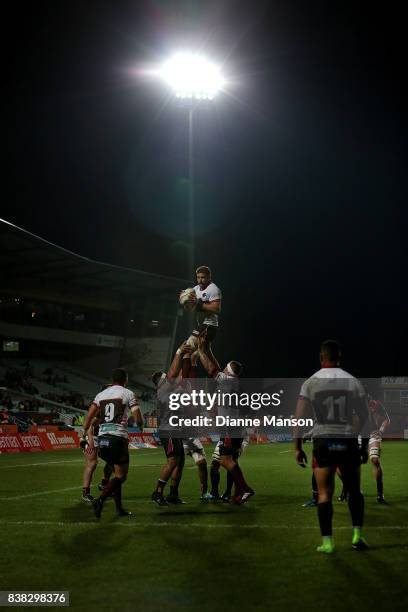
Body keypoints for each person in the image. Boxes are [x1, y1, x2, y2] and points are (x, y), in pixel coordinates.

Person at [294, 340, 370, 553]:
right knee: (355, 491)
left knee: (324, 494)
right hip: (347, 440)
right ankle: (357, 536)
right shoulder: (353, 381)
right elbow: (365, 417)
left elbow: (299, 417)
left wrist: (297, 447)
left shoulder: (311, 382)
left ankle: (327, 543)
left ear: (321, 357)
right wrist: (363, 445)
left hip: (323, 440)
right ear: (340, 357)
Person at [197, 334, 254, 505]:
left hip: (229, 429)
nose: (223, 370)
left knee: (224, 460)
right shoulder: (236, 384)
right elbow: (216, 366)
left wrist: (201, 350)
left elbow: (211, 368)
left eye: (225, 369)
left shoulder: (226, 382)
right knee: (230, 461)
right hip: (237, 428)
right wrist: (209, 348)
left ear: (228, 372)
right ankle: (238, 493)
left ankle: (244, 488)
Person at [81, 368, 143, 518]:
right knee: (121, 476)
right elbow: (137, 417)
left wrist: (84, 433)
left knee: (116, 473)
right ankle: (100, 499)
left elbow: (89, 417)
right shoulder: (128, 393)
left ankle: (119, 508)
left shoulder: (100, 395)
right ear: (125, 380)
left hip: (103, 440)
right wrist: (140, 425)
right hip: (118, 438)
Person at [151, 341, 195, 506]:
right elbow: (173, 373)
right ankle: (157, 491)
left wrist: (189, 355)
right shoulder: (163, 389)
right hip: (168, 431)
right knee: (173, 460)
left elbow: (182, 372)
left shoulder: (172, 388)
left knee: (180, 461)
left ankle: (173, 494)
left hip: (176, 429)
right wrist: (179, 352)